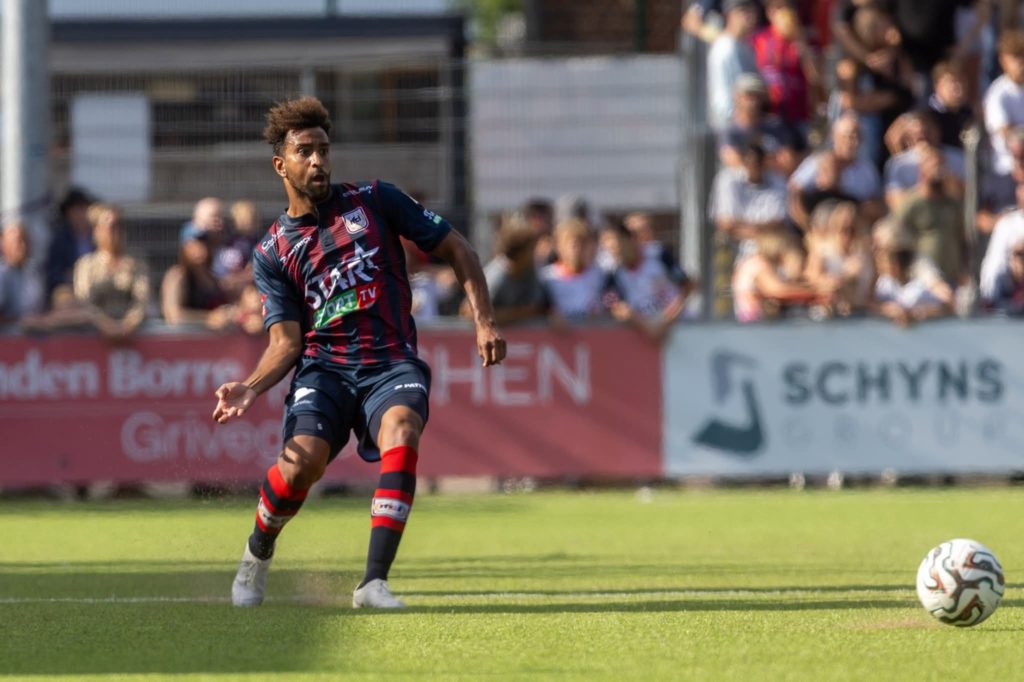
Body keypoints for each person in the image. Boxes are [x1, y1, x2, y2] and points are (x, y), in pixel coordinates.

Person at [212, 97, 505, 609]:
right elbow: (286, 342)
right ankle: (256, 554)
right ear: (281, 165)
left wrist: (484, 321)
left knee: (402, 429)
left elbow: (458, 247)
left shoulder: (375, 200)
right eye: (305, 151)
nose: (319, 160)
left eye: (324, 149)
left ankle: (373, 582)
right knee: (301, 467)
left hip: (391, 360)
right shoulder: (272, 253)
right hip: (324, 370)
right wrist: (250, 386)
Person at [160, 224, 236, 330]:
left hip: (217, 343)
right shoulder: (177, 276)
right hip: (187, 342)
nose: (202, 246)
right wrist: (208, 317)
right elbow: (173, 316)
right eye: (197, 240)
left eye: (205, 241)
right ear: (185, 246)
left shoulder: (214, 278)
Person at [707, 0, 761, 131]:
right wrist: (734, 121)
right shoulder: (725, 48)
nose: (750, 16)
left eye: (752, 11)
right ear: (729, 15)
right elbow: (721, 96)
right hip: (731, 128)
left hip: (748, 125)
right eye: (744, 11)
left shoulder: (745, 46)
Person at [45, 187, 95, 303]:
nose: (81, 214)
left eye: (83, 208)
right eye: (76, 210)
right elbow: (53, 273)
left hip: (97, 287)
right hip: (70, 289)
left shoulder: (96, 236)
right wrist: (72, 277)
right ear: (68, 213)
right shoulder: (60, 240)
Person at [0, 223, 44, 325]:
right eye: (18, 241)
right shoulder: (2, 273)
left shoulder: (35, 271)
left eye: (26, 241)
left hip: (36, 334)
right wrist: (21, 322)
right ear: (4, 244)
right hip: (8, 337)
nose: (23, 247)